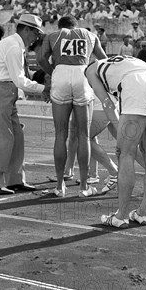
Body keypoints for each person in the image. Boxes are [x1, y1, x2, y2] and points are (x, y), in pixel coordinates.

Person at [84, 54, 146, 228]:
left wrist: (121, 129)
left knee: (125, 153)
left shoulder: (89, 71)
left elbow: (107, 103)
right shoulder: (118, 62)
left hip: (136, 84)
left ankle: (121, 216)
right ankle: (142, 213)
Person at [36, 14, 106, 197]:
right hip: (82, 74)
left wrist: (55, 72)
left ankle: (60, 186)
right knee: (84, 135)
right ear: (76, 25)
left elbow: (41, 59)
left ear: (61, 26)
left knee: (61, 134)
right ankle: (84, 186)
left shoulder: (53, 36)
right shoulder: (89, 35)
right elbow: (103, 60)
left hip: (61, 74)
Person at [0, 13, 46, 195]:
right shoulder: (13, 47)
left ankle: (15, 180)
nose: (37, 37)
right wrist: (43, 89)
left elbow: (19, 79)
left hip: (4, 91)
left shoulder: (16, 45)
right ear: (25, 30)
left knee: (17, 136)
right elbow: (20, 81)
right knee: (3, 139)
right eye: (35, 32)